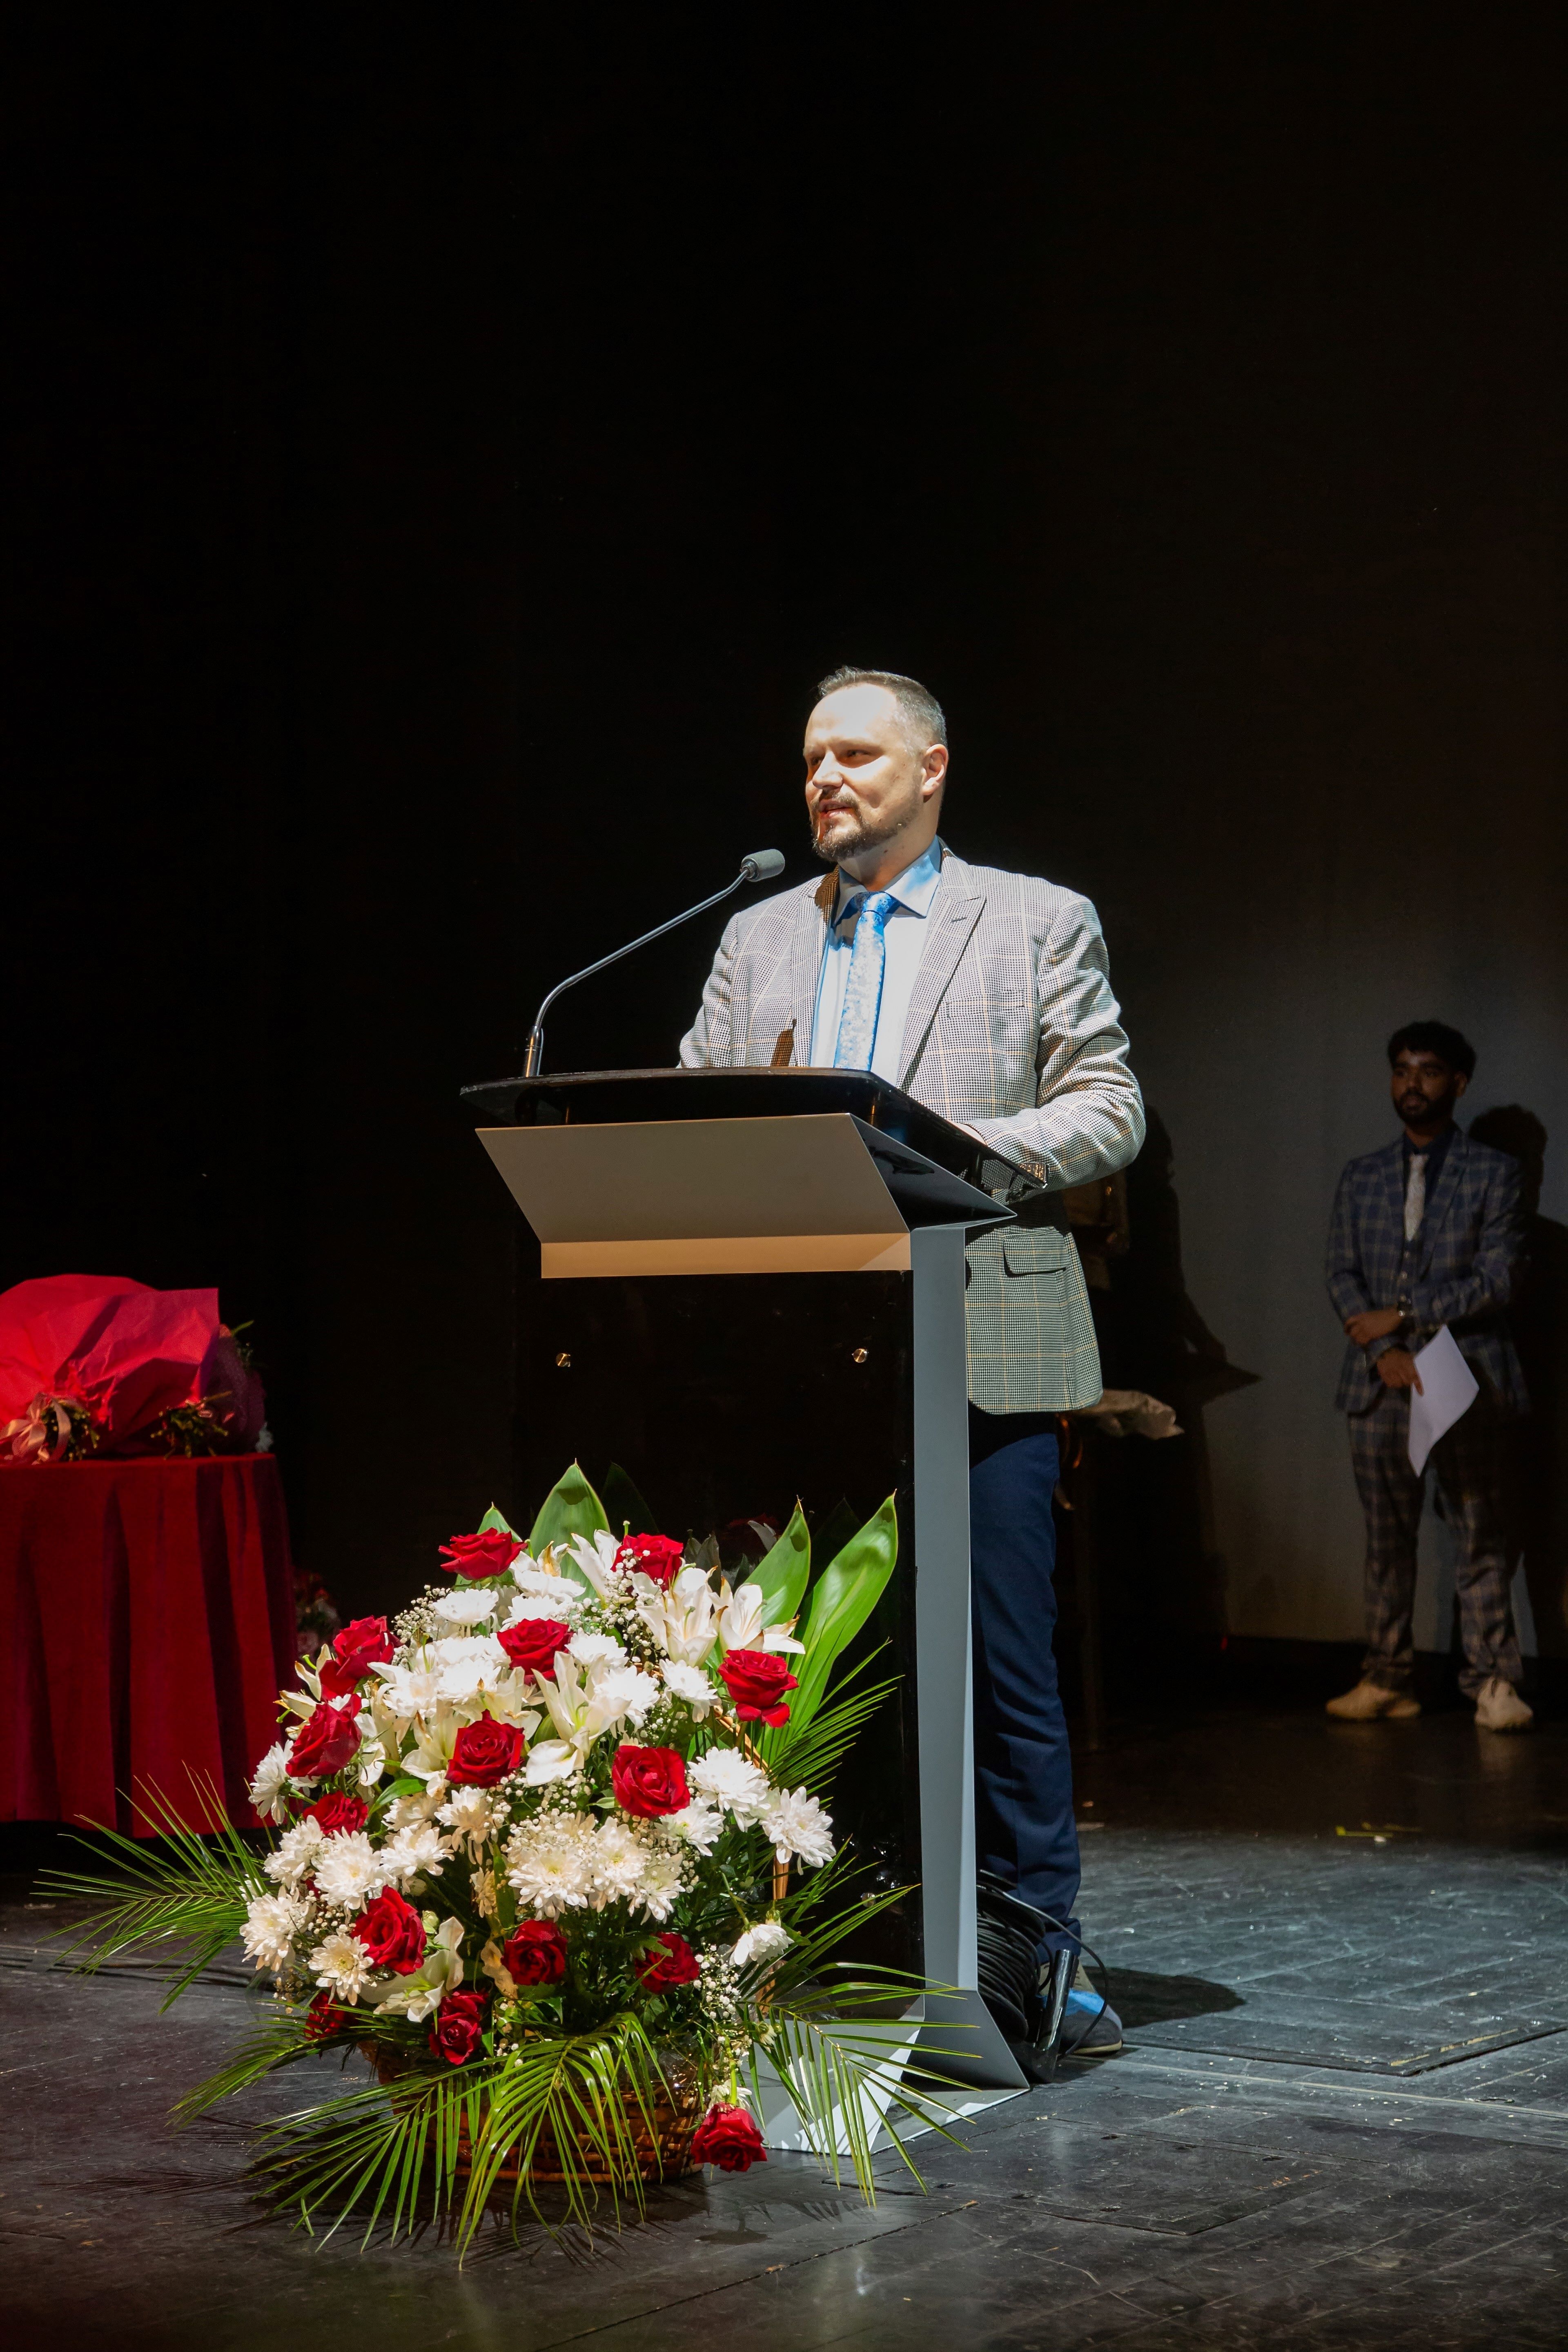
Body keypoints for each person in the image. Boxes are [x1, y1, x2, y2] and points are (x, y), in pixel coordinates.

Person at [680, 664, 1146, 2056]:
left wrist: (959, 1153)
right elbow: (697, 1105)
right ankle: (815, 1946)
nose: (827, 779)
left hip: (982, 1329)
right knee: (796, 1665)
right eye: (812, 759)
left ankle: (1040, 1964)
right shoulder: (756, 936)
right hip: (799, 1351)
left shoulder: (1035, 919)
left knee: (1004, 1671)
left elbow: (1109, 1104)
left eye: (858, 756)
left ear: (932, 770)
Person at [1324, 1021, 1532, 1731]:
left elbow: (1498, 1279)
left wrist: (1408, 1315)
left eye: (1430, 1070)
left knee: (1480, 1534)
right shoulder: (1364, 1175)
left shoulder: (1494, 1173)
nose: (1412, 1083)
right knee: (1387, 1539)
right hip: (1380, 1380)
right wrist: (1384, 1348)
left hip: (1465, 1374)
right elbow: (1342, 1273)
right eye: (1402, 1070)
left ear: (1458, 1083)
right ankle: (1387, 1676)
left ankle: (1493, 1682)